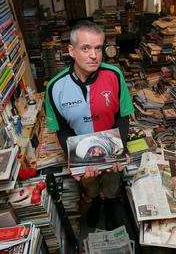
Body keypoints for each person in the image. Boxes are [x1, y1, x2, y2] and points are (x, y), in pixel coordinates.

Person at [44, 20, 134, 228]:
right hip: (83, 155)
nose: (94, 55)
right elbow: (62, 130)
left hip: (112, 151)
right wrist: (74, 159)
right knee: (90, 187)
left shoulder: (114, 75)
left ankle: (112, 204)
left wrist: (121, 149)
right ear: (71, 51)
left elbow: (123, 116)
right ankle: (94, 203)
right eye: (85, 48)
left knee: (112, 185)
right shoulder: (55, 87)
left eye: (98, 48)